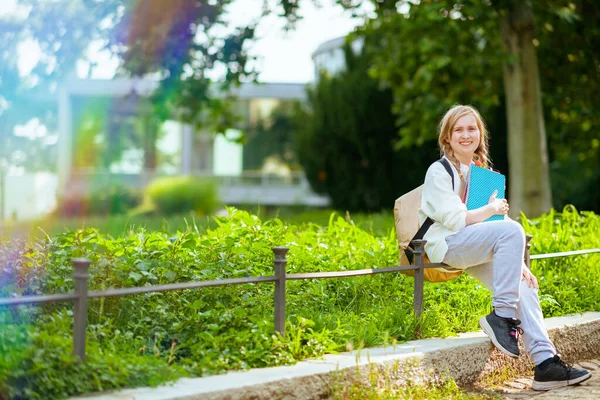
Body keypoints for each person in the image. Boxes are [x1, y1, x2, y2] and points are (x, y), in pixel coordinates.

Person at [418, 104, 591, 391]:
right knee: (513, 231)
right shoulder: (438, 172)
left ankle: (545, 364)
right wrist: (491, 208)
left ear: (479, 134)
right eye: (458, 129)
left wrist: (520, 266)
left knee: (525, 285)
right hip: (448, 245)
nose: (465, 134)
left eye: (471, 128)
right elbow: (458, 221)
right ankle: (501, 316)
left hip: (478, 244)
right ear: (446, 138)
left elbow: (500, 224)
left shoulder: (483, 174)